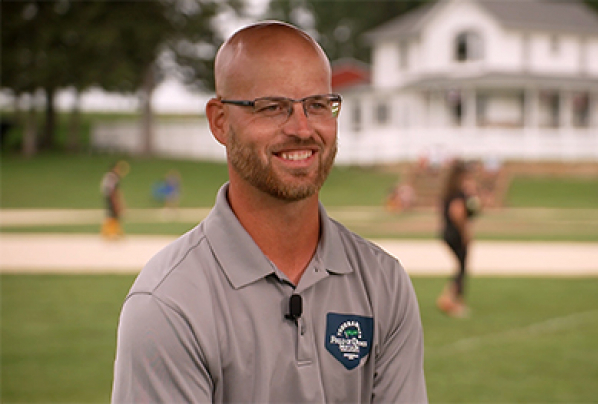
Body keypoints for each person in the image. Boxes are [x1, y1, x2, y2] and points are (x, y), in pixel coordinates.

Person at [111, 21, 427, 404]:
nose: (301, 128)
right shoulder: (168, 303)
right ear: (220, 122)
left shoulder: (383, 283)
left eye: (317, 105)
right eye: (273, 107)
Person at [436, 160, 480, 318]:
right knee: (461, 267)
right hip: (455, 233)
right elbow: (457, 212)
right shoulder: (458, 193)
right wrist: (465, 232)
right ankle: (451, 300)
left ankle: (449, 297)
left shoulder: (450, 191)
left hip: (448, 232)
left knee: (459, 267)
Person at [100, 160, 127, 239]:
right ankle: (111, 232)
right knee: (113, 215)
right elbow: (113, 190)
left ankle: (112, 232)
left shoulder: (109, 176)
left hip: (109, 196)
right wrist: (116, 201)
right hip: (111, 197)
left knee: (112, 215)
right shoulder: (112, 177)